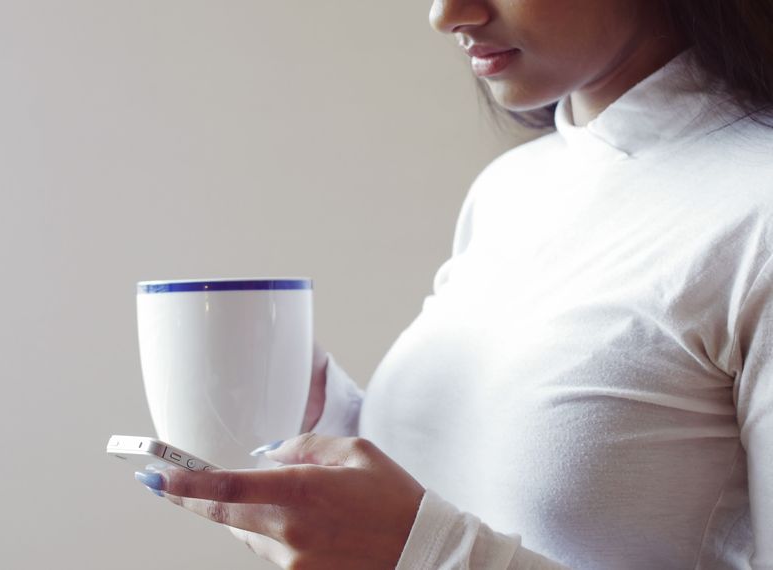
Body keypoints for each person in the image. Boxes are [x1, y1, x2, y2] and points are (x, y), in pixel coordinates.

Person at [133, 0, 773, 567]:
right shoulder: (510, 189)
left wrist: (426, 552)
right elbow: (481, 479)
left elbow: (433, 535)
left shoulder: (755, 209)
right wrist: (319, 410)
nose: (446, 13)